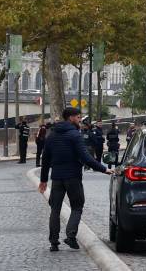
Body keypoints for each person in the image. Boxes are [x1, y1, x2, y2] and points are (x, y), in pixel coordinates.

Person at [38, 106, 110, 251]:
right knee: (77, 207)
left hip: (57, 178)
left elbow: (45, 159)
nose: (80, 120)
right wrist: (104, 169)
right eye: (78, 117)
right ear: (71, 118)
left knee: (55, 209)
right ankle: (71, 236)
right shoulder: (74, 135)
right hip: (73, 177)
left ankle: (53, 242)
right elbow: (86, 157)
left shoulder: (52, 135)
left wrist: (44, 180)